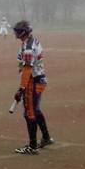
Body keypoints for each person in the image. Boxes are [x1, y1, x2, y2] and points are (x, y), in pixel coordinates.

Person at [12, 21, 54, 155]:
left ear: (23, 32)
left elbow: (27, 69)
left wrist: (21, 88)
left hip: (32, 82)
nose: (15, 33)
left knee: (29, 113)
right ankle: (46, 137)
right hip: (39, 80)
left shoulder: (28, 48)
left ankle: (32, 146)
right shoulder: (32, 41)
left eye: (17, 31)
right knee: (35, 110)